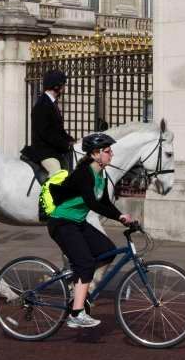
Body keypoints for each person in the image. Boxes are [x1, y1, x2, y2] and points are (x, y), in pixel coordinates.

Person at [46, 132, 134, 329]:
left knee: (106, 250)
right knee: (85, 263)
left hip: (77, 222)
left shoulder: (100, 174)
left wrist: (122, 217)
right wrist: (118, 217)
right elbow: (92, 203)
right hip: (62, 223)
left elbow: (104, 202)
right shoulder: (83, 173)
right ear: (95, 154)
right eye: (108, 151)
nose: (111, 154)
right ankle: (76, 314)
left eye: (111, 151)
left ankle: (78, 282)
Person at [23, 69, 73, 175]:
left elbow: (58, 130)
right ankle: (50, 192)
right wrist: (64, 144)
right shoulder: (42, 105)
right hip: (44, 152)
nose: (64, 88)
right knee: (57, 172)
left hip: (53, 150)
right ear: (56, 86)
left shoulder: (51, 103)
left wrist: (70, 140)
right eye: (63, 85)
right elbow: (46, 133)